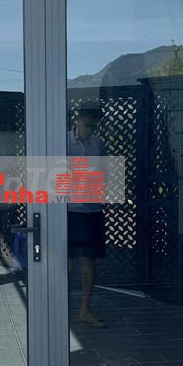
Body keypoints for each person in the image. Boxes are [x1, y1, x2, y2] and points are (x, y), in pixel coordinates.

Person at [68, 102, 107, 327]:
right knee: (68, 263)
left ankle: (85, 309)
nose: (92, 124)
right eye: (88, 119)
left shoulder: (98, 144)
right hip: (68, 210)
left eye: (95, 120)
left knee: (88, 262)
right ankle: (59, 308)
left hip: (92, 210)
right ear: (79, 118)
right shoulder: (63, 142)